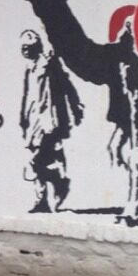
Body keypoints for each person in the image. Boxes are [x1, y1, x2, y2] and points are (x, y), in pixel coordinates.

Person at [19, 29, 84, 212]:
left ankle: (59, 182)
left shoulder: (49, 64)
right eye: (23, 48)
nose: (25, 51)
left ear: (36, 47)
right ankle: (42, 200)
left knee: (39, 158)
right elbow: (27, 95)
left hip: (48, 118)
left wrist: (75, 107)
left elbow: (67, 86)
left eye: (28, 47)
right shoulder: (29, 68)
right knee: (43, 157)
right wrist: (23, 117)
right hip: (33, 119)